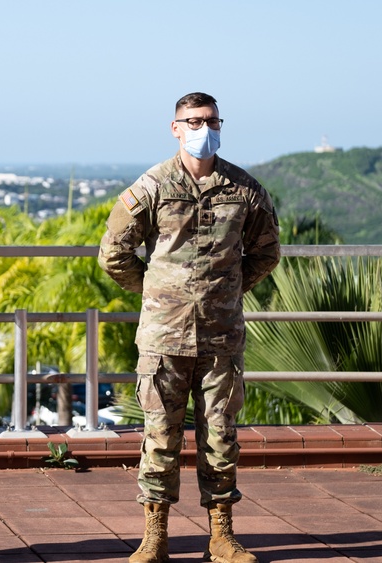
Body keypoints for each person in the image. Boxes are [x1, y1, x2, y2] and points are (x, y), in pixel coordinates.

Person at [98, 92, 280, 563]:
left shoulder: (244, 190)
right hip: (164, 337)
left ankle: (221, 536)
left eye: (211, 120)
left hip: (221, 337)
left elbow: (266, 252)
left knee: (221, 435)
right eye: (194, 121)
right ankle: (154, 537)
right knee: (160, 436)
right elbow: (113, 253)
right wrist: (158, 291)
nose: (204, 128)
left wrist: (229, 290)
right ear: (175, 127)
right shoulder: (153, 186)